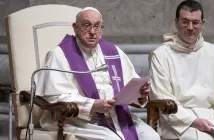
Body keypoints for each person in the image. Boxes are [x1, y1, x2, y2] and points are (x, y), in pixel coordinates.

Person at [36, 7, 160, 140]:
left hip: (117, 116)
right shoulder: (59, 54)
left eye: (97, 26)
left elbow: (131, 84)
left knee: (152, 137)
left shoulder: (114, 52)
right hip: (78, 119)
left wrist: (140, 94)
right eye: (86, 26)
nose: (92, 32)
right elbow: (55, 97)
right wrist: (92, 106)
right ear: (75, 27)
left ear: (102, 28)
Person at [148, 0, 214, 140]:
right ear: (176, 21)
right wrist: (192, 121)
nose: (190, 27)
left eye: (195, 22)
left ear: (203, 23)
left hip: (213, 118)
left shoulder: (212, 51)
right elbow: (162, 97)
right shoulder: (160, 55)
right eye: (185, 22)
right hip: (178, 123)